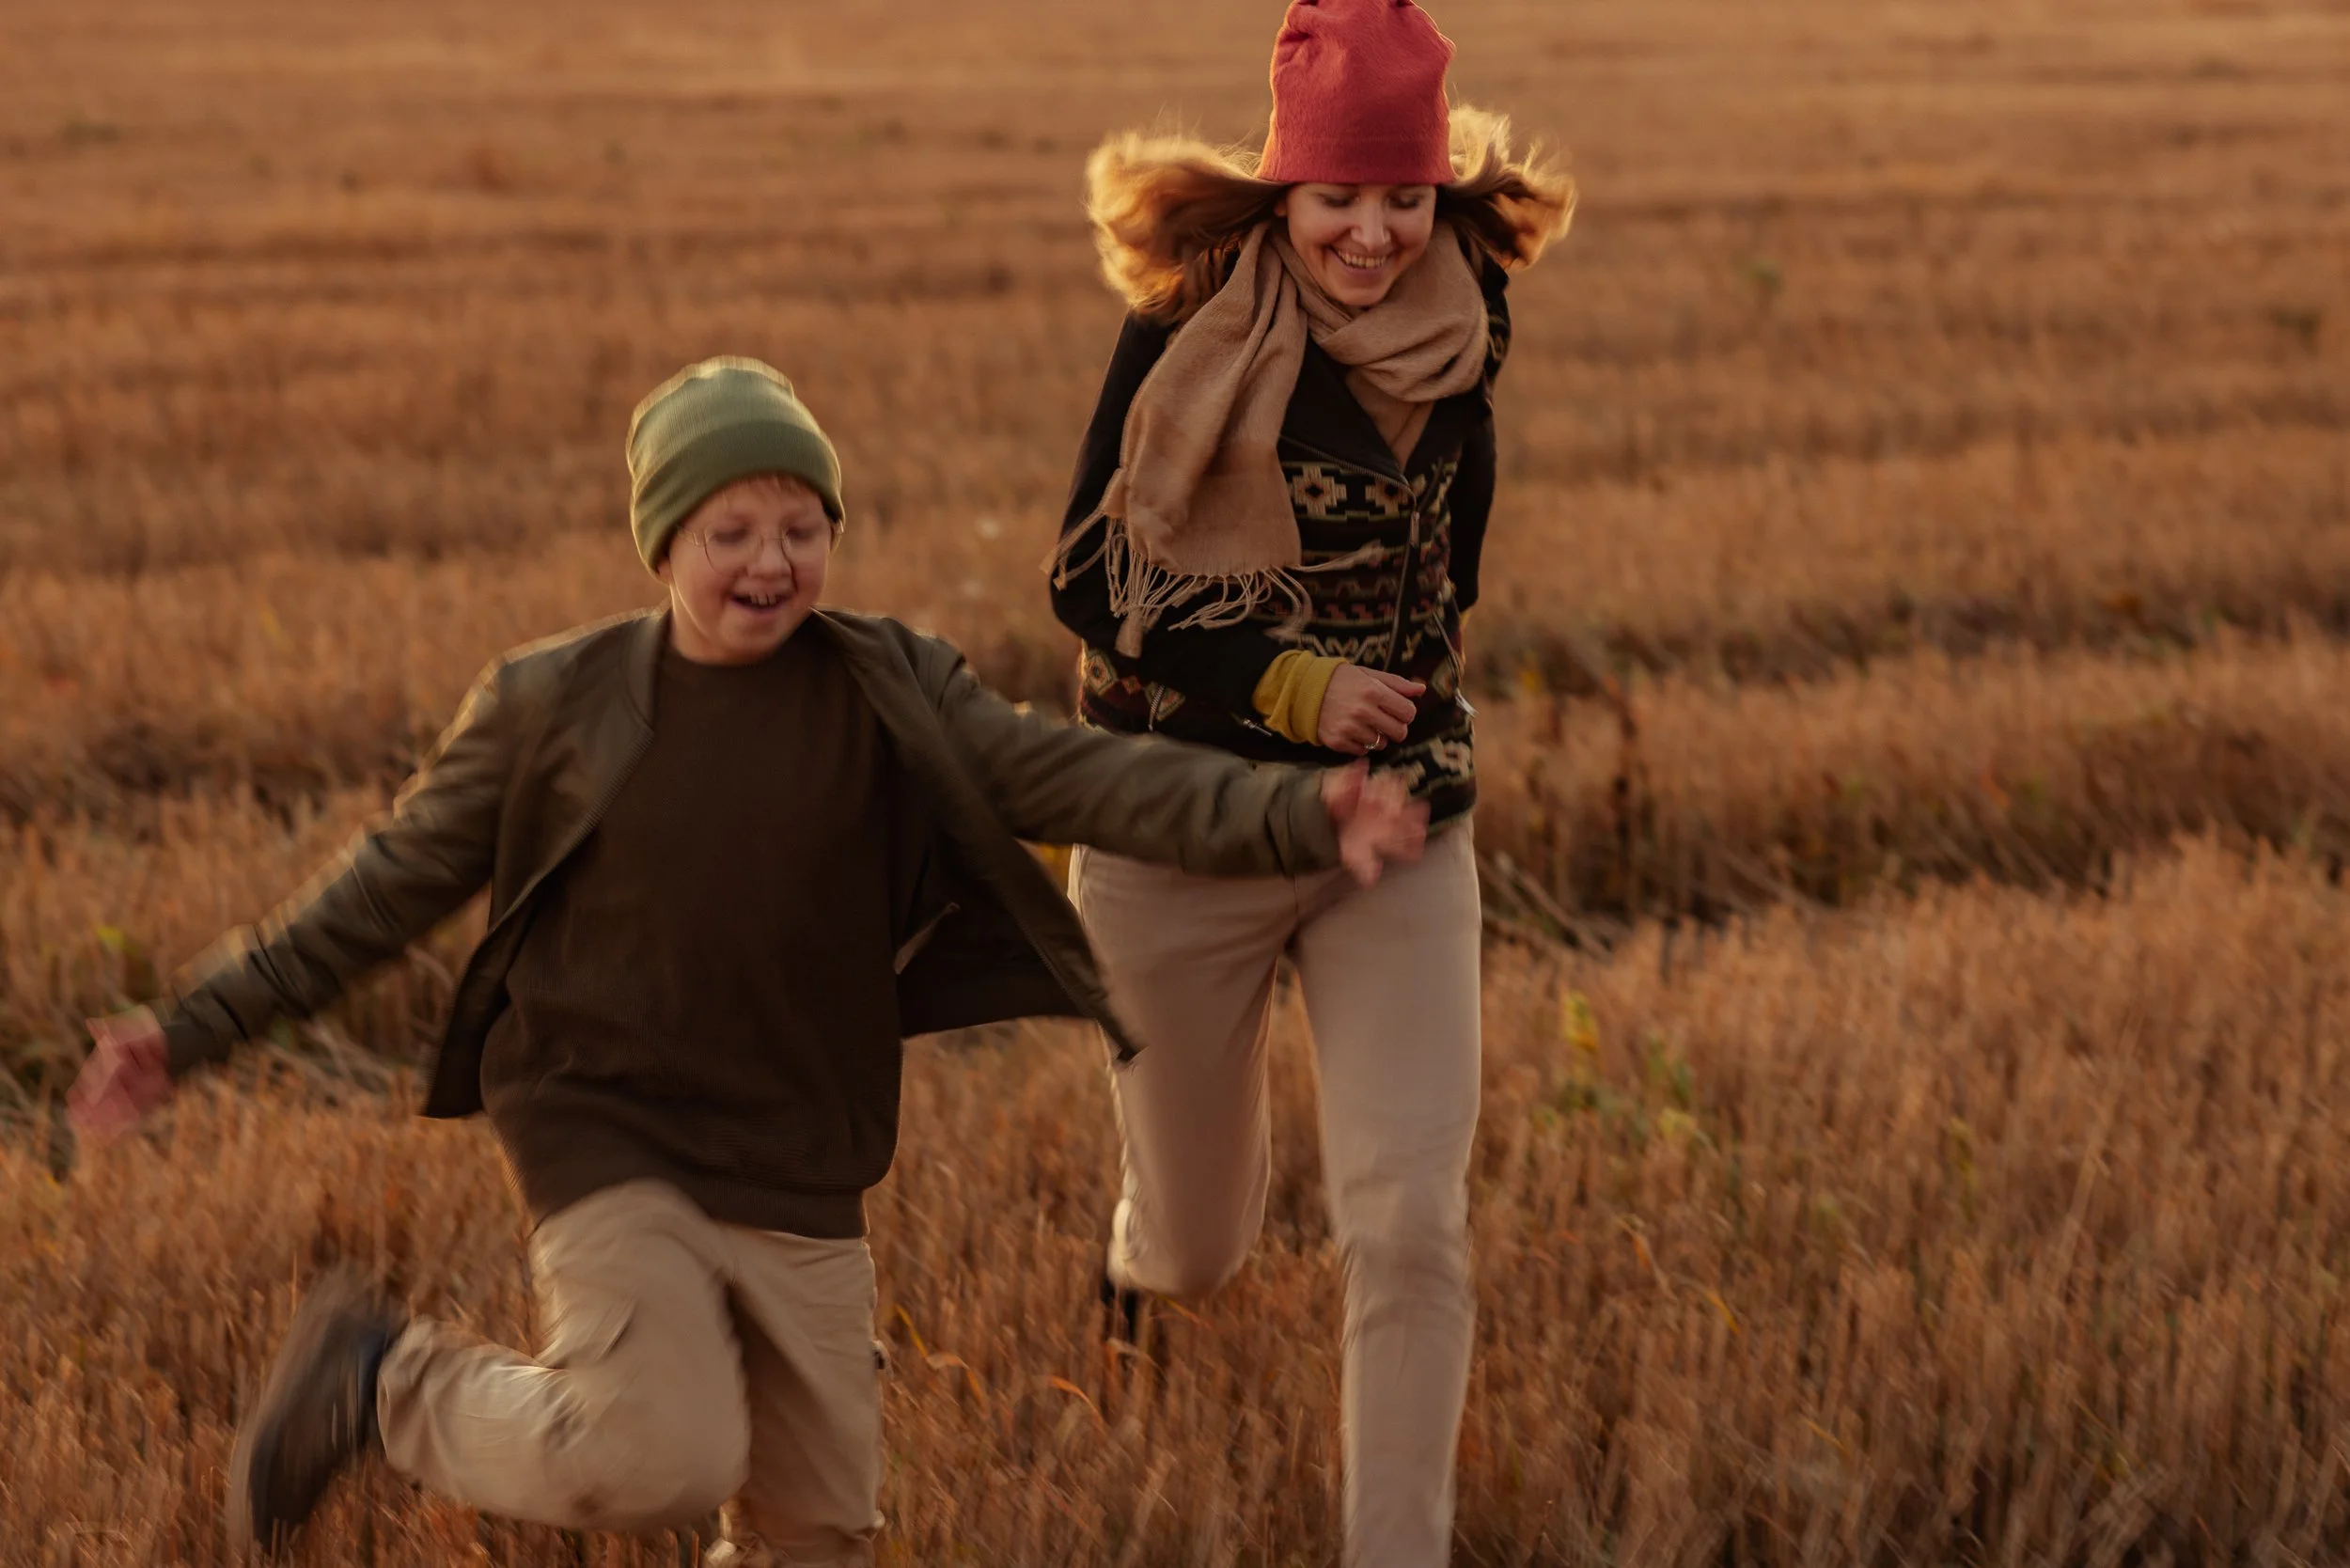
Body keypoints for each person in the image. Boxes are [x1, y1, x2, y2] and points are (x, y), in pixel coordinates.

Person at [68, 356, 1428, 1564]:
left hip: (797, 1148)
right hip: (611, 1126)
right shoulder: (552, 708)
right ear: (663, 546)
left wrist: (1298, 811)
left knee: (817, 1534)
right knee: (658, 1452)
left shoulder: (892, 689)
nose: (769, 561)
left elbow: (1082, 781)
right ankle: (380, 1384)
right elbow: (373, 898)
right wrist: (185, 1034)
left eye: (800, 527)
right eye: (731, 531)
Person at [1047, 2, 1574, 1562]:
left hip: (1397, 829)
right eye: (1339, 198)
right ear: (1284, 187)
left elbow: (1449, 574)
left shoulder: (1466, 322)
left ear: (1438, 190)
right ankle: (1139, 1271)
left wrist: (1399, 710)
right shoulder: (1191, 318)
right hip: (1183, 824)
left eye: (1402, 198)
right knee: (1202, 1243)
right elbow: (1088, 579)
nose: (1372, 234)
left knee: (1410, 1224)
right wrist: (1289, 685)